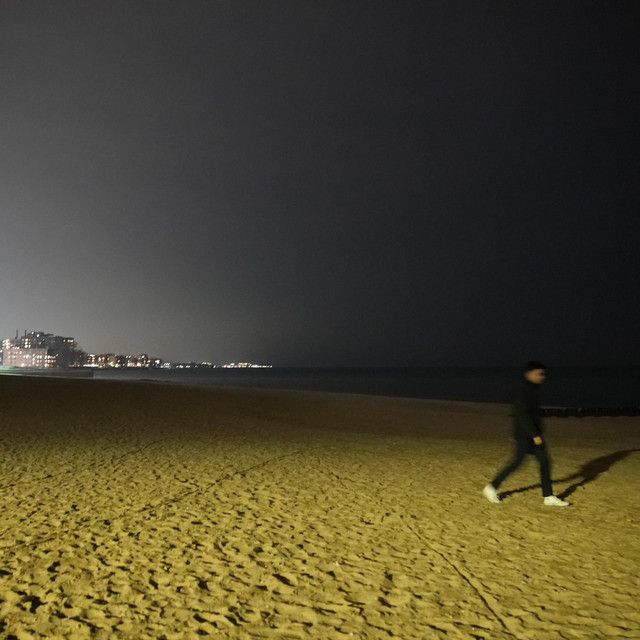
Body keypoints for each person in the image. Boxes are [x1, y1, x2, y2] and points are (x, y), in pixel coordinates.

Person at [483, 361, 569, 506]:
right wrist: (534, 435)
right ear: (529, 374)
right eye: (539, 374)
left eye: (543, 374)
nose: (542, 377)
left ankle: (548, 496)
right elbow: (522, 415)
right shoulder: (523, 391)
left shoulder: (532, 390)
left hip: (531, 434)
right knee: (517, 463)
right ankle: (491, 487)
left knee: (544, 462)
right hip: (526, 435)